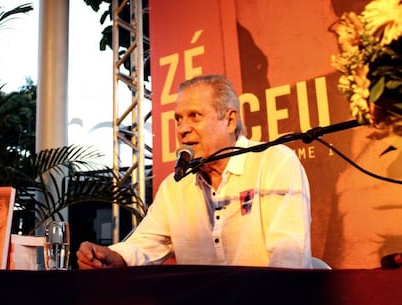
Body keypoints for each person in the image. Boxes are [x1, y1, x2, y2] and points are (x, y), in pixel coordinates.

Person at [76, 74, 312, 269]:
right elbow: (146, 243)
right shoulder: (176, 185)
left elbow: (288, 256)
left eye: (194, 116)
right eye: (178, 119)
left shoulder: (274, 162)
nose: (182, 130)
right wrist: (110, 256)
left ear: (229, 120)